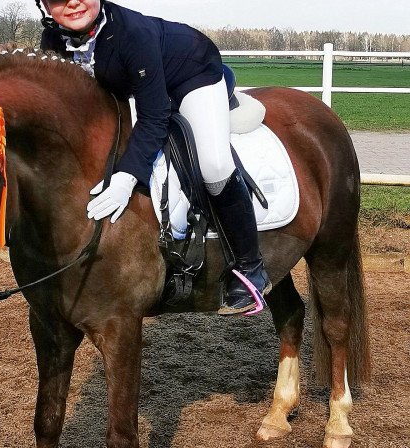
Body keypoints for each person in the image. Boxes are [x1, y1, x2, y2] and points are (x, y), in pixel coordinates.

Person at [36, 0, 271, 315]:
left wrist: (127, 175)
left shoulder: (131, 33)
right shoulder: (52, 41)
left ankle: (250, 266)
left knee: (215, 165)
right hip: (139, 85)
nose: (74, 1)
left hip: (191, 74)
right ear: (44, 5)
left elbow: (155, 115)